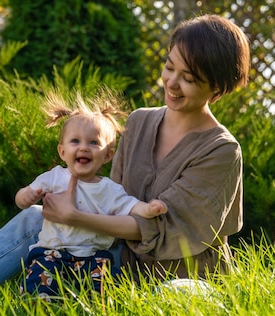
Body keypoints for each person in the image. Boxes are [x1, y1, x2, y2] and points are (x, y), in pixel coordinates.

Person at [0, 13, 250, 315]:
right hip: (115, 259)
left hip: (174, 274)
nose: (172, 83)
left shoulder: (219, 151)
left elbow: (167, 235)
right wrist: (64, 208)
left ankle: (143, 302)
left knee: (174, 295)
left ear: (216, 88)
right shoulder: (141, 121)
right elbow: (108, 197)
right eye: (169, 68)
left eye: (189, 78)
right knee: (35, 217)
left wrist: (75, 219)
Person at [15, 92, 167, 300]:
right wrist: (26, 196)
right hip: (52, 252)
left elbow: (131, 206)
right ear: (62, 151)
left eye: (94, 143)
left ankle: (92, 311)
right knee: (38, 284)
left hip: (93, 257)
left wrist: (149, 209)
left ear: (107, 155)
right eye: (75, 141)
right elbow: (23, 196)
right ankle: (40, 309)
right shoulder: (54, 177)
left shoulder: (109, 189)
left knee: (101, 291)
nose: (84, 147)